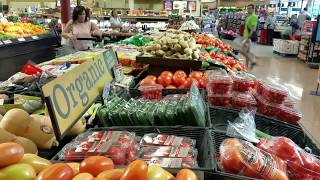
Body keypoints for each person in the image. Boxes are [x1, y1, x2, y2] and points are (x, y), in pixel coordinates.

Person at [241, 4, 258, 69]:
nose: (248, 10)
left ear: (253, 9)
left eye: (250, 8)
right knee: (247, 52)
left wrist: (248, 38)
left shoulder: (253, 16)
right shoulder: (249, 16)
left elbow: (252, 29)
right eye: (247, 8)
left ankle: (252, 61)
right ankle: (247, 66)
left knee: (242, 51)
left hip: (248, 37)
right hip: (246, 36)